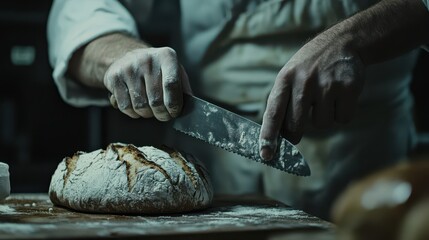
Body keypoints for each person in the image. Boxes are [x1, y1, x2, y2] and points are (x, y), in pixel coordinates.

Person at [47, 0, 429, 220]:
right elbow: (82, 8)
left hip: (365, 159)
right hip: (211, 159)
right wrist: (121, 53)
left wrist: (356, 37)